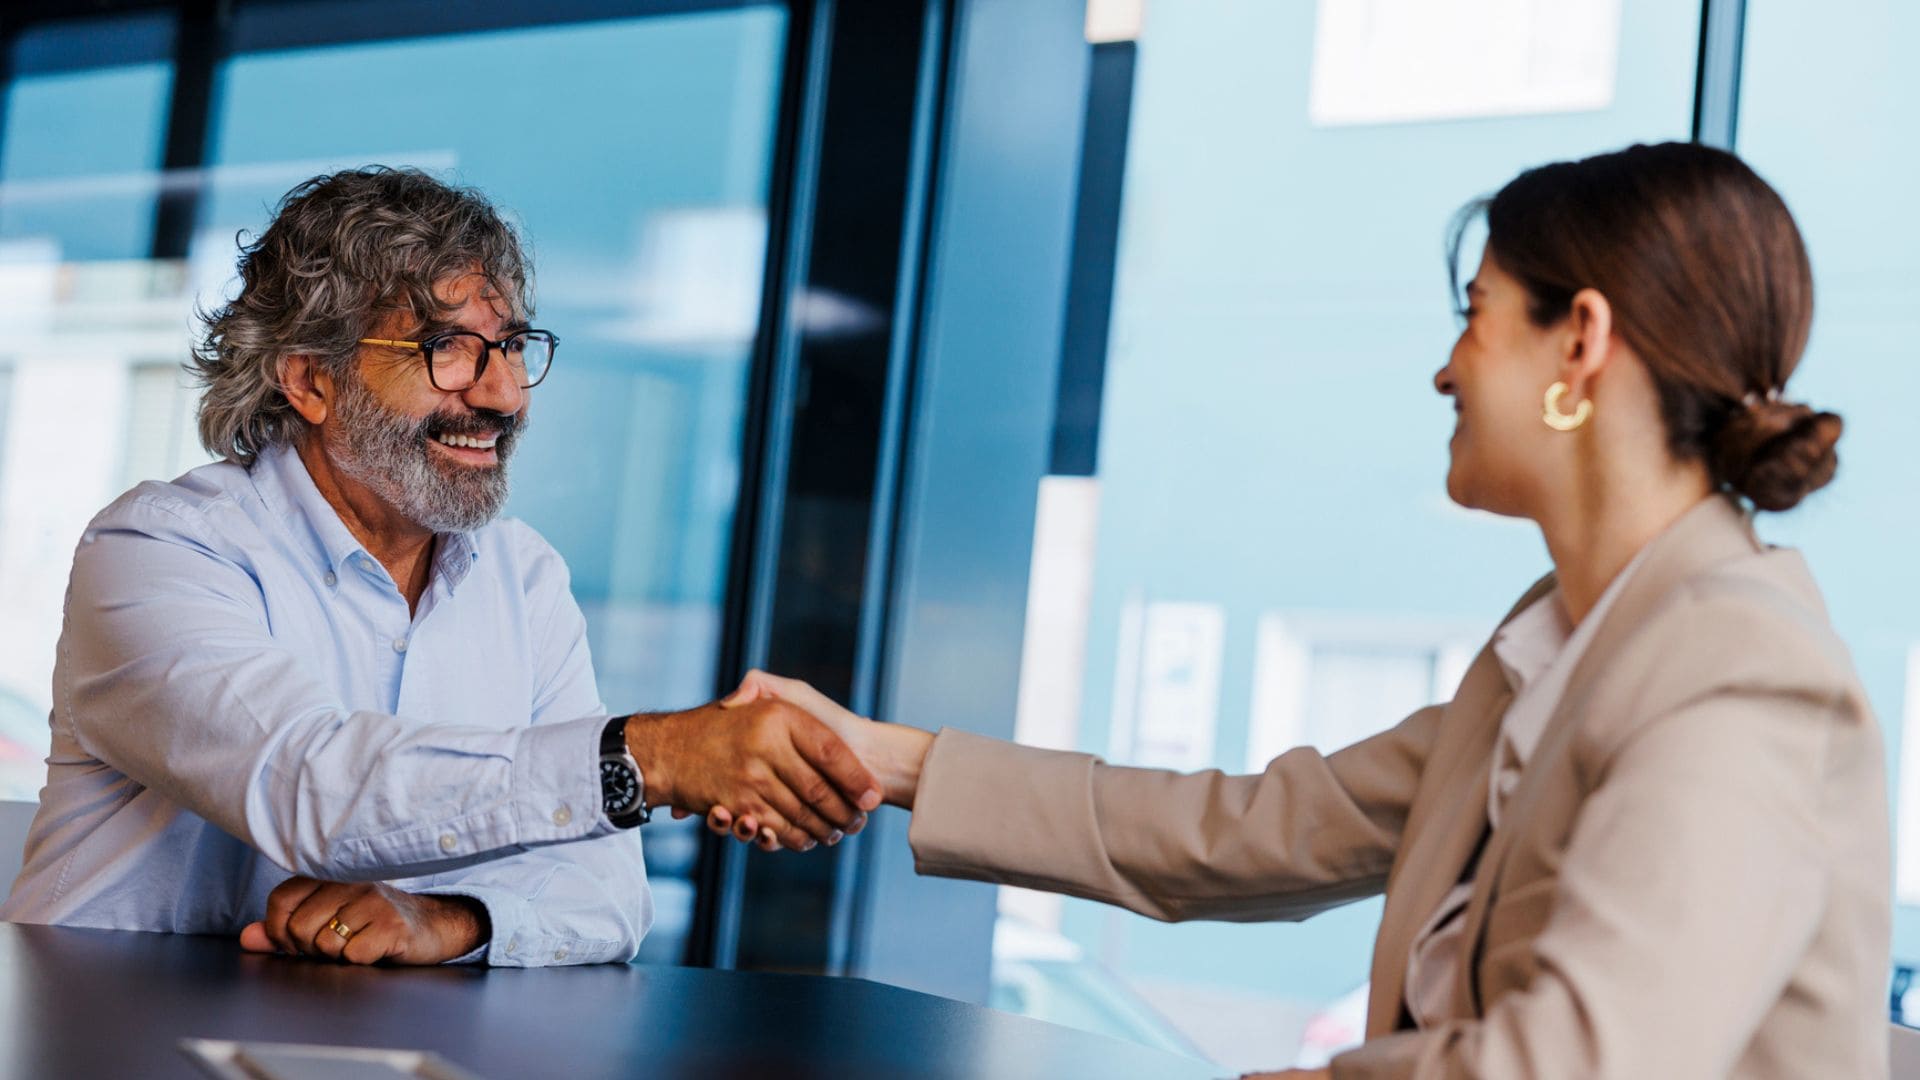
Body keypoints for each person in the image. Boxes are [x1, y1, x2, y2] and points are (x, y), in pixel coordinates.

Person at [710, 142, 1892, 1077]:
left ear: (1578, 340)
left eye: (1474, 313)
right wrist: (880, 754)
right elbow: (1235, 832)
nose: (1446, 368)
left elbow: (1589, 1062)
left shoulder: (1741, 672)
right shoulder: (1547, 658)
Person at [0, 167, 879, 967]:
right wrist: (649, 758)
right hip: (111, 1035)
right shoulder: (160, 550)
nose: (502, 394)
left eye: (510, 347)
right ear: (311, 380)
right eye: (447, 350)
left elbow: (609, 897)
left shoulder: (524, 576)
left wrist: (451, 919)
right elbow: (311, 787)